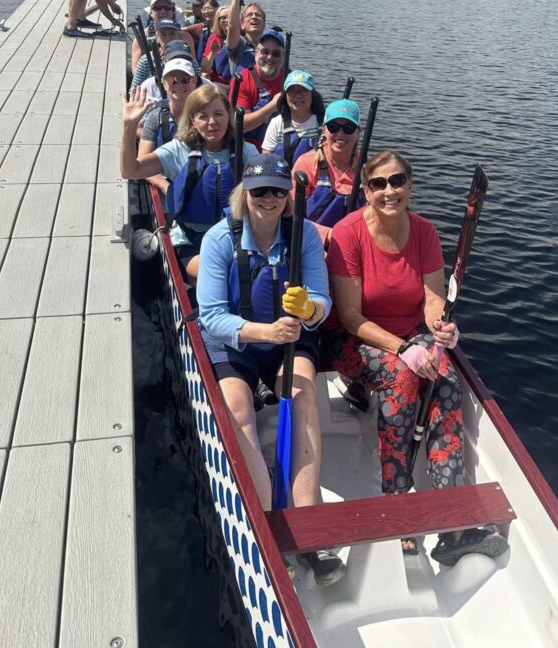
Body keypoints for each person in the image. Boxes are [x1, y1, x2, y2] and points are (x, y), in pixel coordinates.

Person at [327, 151, 507, 567]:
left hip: (412, 334)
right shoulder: (347, 233)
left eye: (398, 181)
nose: (390, 191)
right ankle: (398, 502)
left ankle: (452, 524)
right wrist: (405, 350)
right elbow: (352, 317)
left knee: (444, 380)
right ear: (366, 190)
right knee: (402, 379)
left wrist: (441, 327)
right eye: (379, 184)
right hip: (352, 339)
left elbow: (431, 299)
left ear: (409, 184)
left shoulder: (424, 232)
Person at [196, 154, 345, 586]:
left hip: (290, 340)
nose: (269, 199)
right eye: (259, 191)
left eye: (279, 191)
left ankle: (309, 528)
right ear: (245, 193)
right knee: (238, 411)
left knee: (304, 403)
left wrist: (311, 308)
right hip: (240, 341)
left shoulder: (305, 239)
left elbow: (321, 302)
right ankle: (264, 528)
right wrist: (266, 331)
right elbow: (211, 316)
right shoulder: (219, 239)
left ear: (288, 195)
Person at [121, 84, 255, 281]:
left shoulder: (247, 152)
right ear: (192, 120)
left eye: (218, 114)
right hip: (192, 239)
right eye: (203, 116)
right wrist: (129, 127)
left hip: (235, 237)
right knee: (218, 273)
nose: (212, 122)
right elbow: (130, 170)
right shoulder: (178, 150)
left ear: (229, 114)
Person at [292, 99, 365, 231]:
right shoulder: (307, 163)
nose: (340, 133)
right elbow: (291, 214)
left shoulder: (367, 166)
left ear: (358, 132)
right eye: (333, 127)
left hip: (357, 241)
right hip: (313, 243)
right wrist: (330, 236)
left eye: (348, 128)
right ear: (324, 130)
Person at [136, 59, 200, 196]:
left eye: (185, 79)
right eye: (172, 80)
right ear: (164, 84)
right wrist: (164, 185)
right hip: (166, 182)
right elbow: (142, 161)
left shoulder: (206, 116)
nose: (179, 84)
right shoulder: (155, 117)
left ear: (194, 82)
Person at [232, 29, 285, 149]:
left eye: (276, 54)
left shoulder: (289, 79)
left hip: (281, 147)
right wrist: (272, 106)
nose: (270, 57)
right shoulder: (242, 79)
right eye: (265, 52)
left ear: (283, 56)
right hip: (249, 148)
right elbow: (239, 125)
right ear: (256, 53)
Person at [262, 70, 324, 166]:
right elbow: (265, 159)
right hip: (283, 178)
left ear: (313, 94)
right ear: (285, 96)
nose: (298, 95)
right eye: (292, 91)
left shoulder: (324, 123)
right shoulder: (276, 123)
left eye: (304, 90)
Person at [213, 0, 267, 78]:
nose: (254, 17)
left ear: (264, 24)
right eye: (249, 15)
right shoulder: (239, 43)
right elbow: (232, 28)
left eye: (258, 15)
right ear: (241, 25)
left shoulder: (269, 47)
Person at [131, 0, 196, 72]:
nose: (163, 11)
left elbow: (193, 65)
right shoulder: (142, 37)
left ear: (173, 12)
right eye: (157, 8)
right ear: (151, 13)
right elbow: (135, 70)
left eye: (167, 8)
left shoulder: (184, 36)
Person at [200, 6, 230, 81]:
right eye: (223, 18)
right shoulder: (214, 38)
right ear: (218, 21)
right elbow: (205, 69)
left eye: (230, 17)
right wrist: (213, 53)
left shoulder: (243, 36)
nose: (227, 20)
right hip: (218, 82)